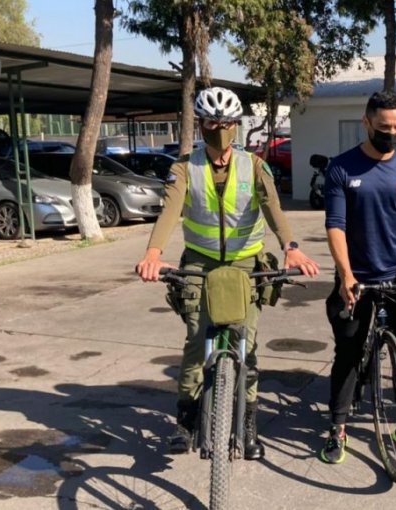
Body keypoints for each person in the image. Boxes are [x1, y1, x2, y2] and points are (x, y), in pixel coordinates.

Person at [136, 86, 319, 459]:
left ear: (236, 126)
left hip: (244, 263)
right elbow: (170, 211)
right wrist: (153, 253)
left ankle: (248, 422)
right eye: (211, 122)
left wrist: (291, 247)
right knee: (195, 340)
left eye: (226, 122)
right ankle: (186, 419)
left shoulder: (254, 166)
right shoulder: (184, 168)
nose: (219, 129)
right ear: (200, 125)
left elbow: (273, 209)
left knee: (246, 344)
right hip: (200, 262)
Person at [320, 90, 396, 464]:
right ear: (367, 123)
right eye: (384, 127)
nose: (391, 133)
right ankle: (338, 427)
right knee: (349, 350)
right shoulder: (342, 168)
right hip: (356, 278)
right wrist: (345, 275)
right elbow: (335, 225)